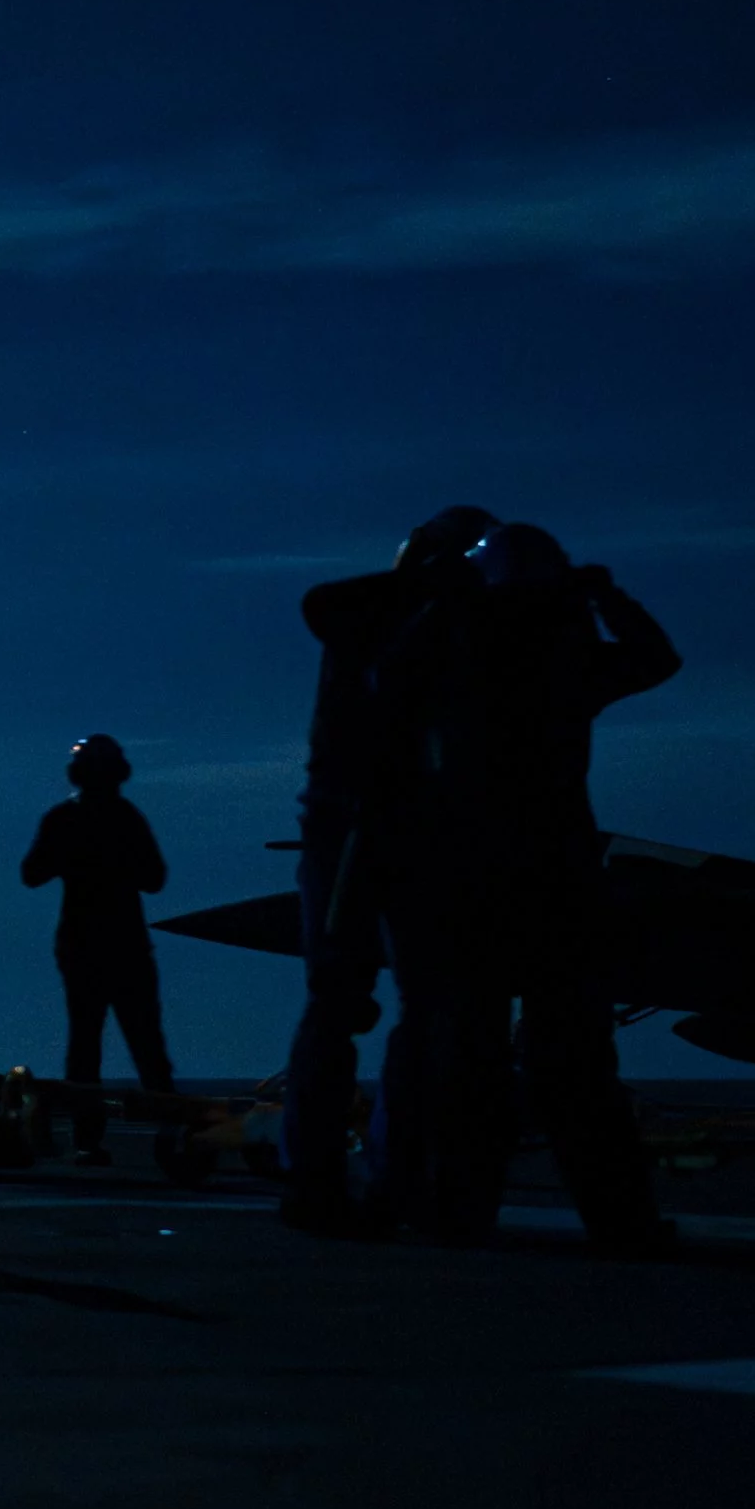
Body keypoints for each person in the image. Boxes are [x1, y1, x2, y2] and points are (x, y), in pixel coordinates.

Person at [373, 526, 679, 1249]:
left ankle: (458, 1210)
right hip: (558, 875)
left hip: (471, 878)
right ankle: (619, 1217)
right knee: (574, 1060)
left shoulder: (454, 652)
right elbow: (657, 658)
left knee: (469, 1052)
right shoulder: (565, 659)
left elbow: (388, 675)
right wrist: (604, 595)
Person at [279, 508, 497, 1234]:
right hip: (357, 828)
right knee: (371, 1006)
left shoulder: (447, 630)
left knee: (385, 1008)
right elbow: (324, 603)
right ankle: (341, 1183)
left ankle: (367, 1180)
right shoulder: (378, 617)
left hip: (383, 832)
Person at [20, 736, 175, 1164]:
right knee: (146, 1041)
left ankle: (88, 1137)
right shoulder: (127, 818)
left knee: (85, 1043)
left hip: (81, 944)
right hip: (125, 944)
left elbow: (31, 873)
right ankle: (174, 1128)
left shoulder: (63, 819)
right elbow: (155, 878)